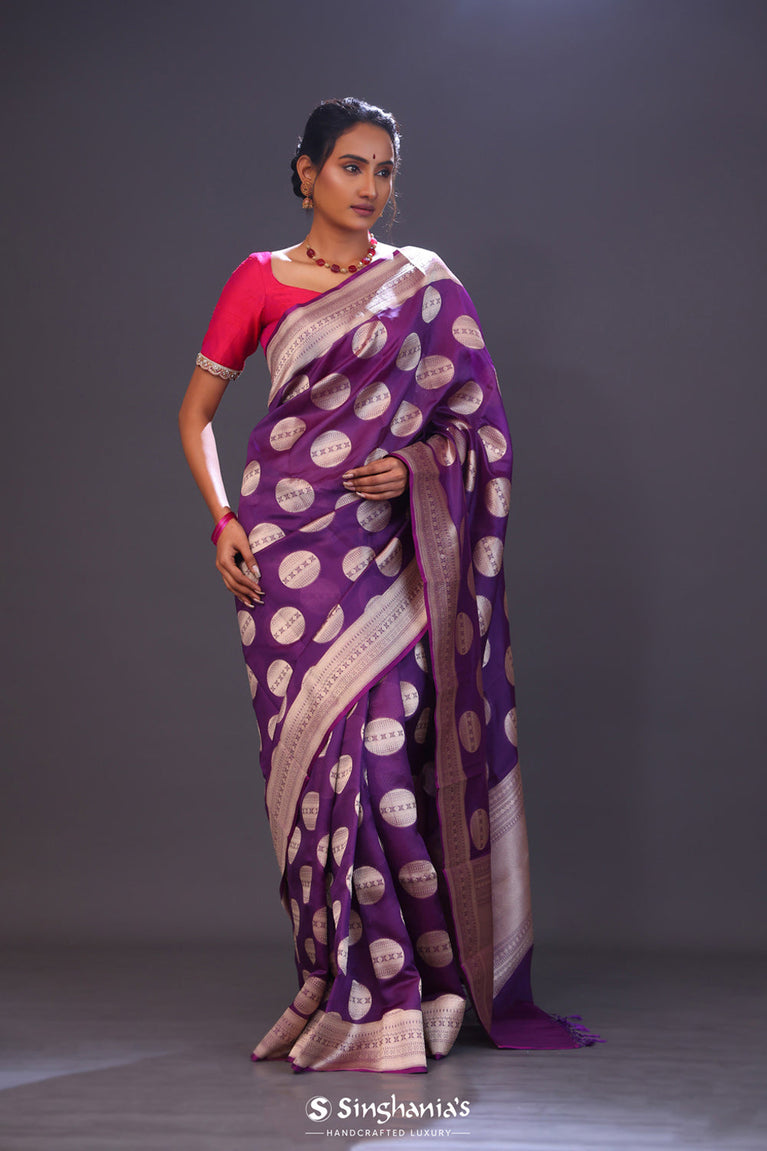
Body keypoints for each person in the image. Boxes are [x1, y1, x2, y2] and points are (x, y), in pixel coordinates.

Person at [178, 97, 600, 1073]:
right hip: (282, 553)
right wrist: (224, 519)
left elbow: (479, 428)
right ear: (305, 172)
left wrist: (414, 467)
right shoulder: (257, 279)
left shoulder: (422, 283)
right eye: (349, 166)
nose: (368, 187)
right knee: (313, 778)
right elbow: (195, 414)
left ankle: (419, 984)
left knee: (381, 762)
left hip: (390, 555)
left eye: (382, 170)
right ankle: (340, 976)